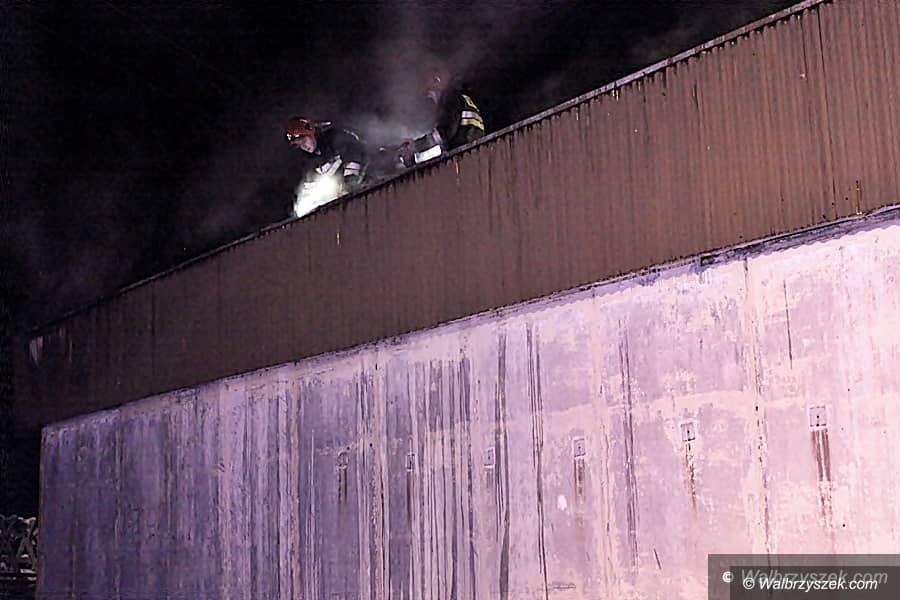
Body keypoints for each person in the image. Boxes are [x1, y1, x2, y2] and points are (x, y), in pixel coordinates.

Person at [399, 65, 485, 166]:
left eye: (430, 93)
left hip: (461, 158)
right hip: (473, 154)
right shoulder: (462, 99)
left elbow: (443, 134)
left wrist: (416, 146)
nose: (430, 98)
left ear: (437, 82)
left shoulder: (450, 98)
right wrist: (415, 158)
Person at [285, 116, 368, 217]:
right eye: (300, 145)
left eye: (304, 141)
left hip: (368, 176)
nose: (304, 147)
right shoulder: (309, 162)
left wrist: (350, 182)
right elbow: (309, 185)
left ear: (312, 133)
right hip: (342, 195)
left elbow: (355, 153)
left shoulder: (334, 138)